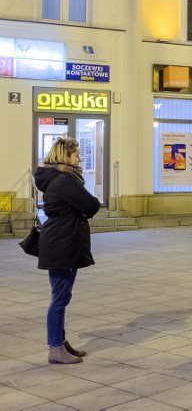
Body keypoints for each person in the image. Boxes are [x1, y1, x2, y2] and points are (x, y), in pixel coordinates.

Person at [35, 137, 101, 364]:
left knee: (62, 296)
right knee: (60, 298)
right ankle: (55, 348)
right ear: (65, 157)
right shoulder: (65, 180)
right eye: (76, 155)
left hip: (60, 241)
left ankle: (60, 343)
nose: (79, 159)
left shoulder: (57, 178)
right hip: (61, 244)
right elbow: (92, 204)